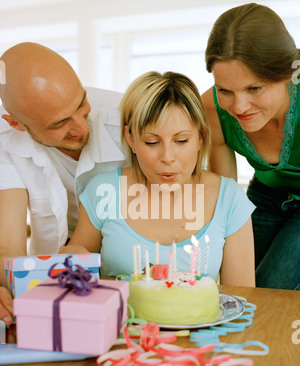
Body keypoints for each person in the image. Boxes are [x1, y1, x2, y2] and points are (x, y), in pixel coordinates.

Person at [60, 71, 256, 287]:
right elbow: (74, 274)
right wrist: (70, 259)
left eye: (181, 140)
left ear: (200, 137)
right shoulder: (103, 192)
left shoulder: (230, 199)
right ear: (131, 139)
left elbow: (242, 298)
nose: (167, 158)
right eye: (152, 142)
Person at [0, 42, 128, 325]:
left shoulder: (127, 116)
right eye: (59, 124)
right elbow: (9, 246)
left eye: (81, 105)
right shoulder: (4, 143)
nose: (83, 127)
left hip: (128, 267)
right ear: (16, 124)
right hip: (51, 273)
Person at [202, 3, 300, 290]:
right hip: (266, 193)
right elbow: (226, 196)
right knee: (239, 287)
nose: (240, 107)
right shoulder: (212, 108)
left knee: (274, 289)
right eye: (226, 90)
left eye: (254, 88)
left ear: (285, 72)